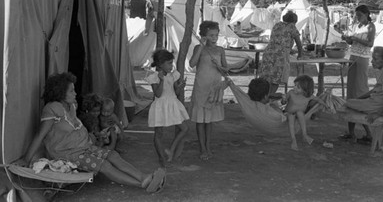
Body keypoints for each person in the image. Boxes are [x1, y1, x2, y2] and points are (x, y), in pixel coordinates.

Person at [16, 72, 166, 193]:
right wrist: (26, 159)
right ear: (60, 92)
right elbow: (40, 135)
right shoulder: (52, 109)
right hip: (68, 153)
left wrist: (94, 137)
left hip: (83, 147)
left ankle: (144, 177)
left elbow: (76, 129)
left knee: (112, 155)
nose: (75, 93)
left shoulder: (71, 106)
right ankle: (143, 184)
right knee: (105, 166)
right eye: (71, 90)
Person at [341, 46, 383, 143]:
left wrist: (377, 114)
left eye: (375, 59)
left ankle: (359, 135)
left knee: (346, 103)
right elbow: (374, 91)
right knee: (351, 102)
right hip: (375, 103)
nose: (372, 61)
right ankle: (365, 134)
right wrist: (360, 99)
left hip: (378, 106)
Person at [189, 21, 228, 160]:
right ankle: (202, 148)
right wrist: (201, 46)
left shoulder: (220, 50)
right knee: (200, 120)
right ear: (204, 35)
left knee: (209, 120)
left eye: (216, 35)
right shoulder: (198, 48)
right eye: (211, 35)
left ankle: (208, 145)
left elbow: (226, 69)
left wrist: (220, 66)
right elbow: (192, 64)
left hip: (214, 87)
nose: (214, 38)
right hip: (201, 87)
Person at [146, 49, 189, 166]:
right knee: (159, 133)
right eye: (169, 63)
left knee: (184, 128)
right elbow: (158, 94)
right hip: (160, 106)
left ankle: (171, 149)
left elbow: (175, 91)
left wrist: (180, 86)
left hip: (173, 104)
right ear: (160, 64)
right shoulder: (154, 77)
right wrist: (161, 80)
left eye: (172, 63)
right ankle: (161, 157)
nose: (172, 66)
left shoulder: (173, 75)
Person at [259, 10, 303, 98]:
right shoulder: (291, 27)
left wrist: (289, 50)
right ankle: (268, 98)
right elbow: (298, 42)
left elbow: (279, 40)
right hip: (279, 56)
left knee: (267, 78)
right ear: (294, 21)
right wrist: (300, 54)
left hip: (268, 53)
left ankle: (263, 98)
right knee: (276, 79)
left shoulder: (277, 25)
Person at [282, 75, 329, 151]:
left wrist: (325, 105)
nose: (294, 88)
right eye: (294, 85)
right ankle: (293, 140)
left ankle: (305, 135)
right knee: (292, 117)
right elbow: (283, 102)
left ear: (305, 90)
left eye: (298, 87)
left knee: (300, 112)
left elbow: (318, 100)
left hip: (300, 114)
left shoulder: (308, 96)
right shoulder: (291, 93)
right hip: (288, 113)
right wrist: (283, 99)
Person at [341, 5, 376, 104]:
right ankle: (351, 102)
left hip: (363, 57)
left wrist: (357, 39)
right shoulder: (356, 26)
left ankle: (362, 103)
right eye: (356, 16)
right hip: (353, 55)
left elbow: (370, 43)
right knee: (351, 82)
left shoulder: (370, 26)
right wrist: (347, 39)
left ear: (366, 14)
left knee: (360, 82)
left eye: (360, 15)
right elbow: (352, 43)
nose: (358, 18)